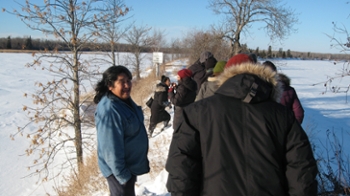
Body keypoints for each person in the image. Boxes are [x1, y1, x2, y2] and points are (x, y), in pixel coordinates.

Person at [166, 54, 318, 195]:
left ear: (225, 76)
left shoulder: (196, 112)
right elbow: (302, 172)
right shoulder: (283, 116)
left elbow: (181, 169)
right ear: (261, 75)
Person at [93, 65, 150, 196]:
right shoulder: (109, 110)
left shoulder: (123, 100)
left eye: (129, 80)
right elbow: (110, 149)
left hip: (128, 167)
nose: (127, 85)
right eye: (122, 82)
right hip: (118, 172)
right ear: (110, 85)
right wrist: (123, 176)